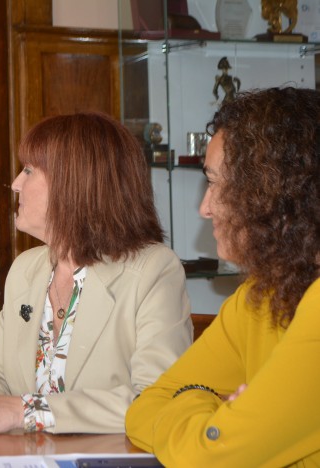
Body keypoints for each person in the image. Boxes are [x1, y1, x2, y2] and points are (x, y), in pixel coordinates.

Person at [0, 112, 193, 434]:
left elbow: (156, 399)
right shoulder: (27, 268)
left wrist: (27, 412)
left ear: (75, 183)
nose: (15, 184)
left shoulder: (154, 269)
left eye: (29, 170)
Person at [125, 87, 320, 467]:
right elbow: (143, 408)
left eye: (214, 183)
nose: (204, 208)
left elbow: (205, 457)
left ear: (273, 192)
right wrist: (215, 411)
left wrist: (199, 407)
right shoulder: (259, 297)